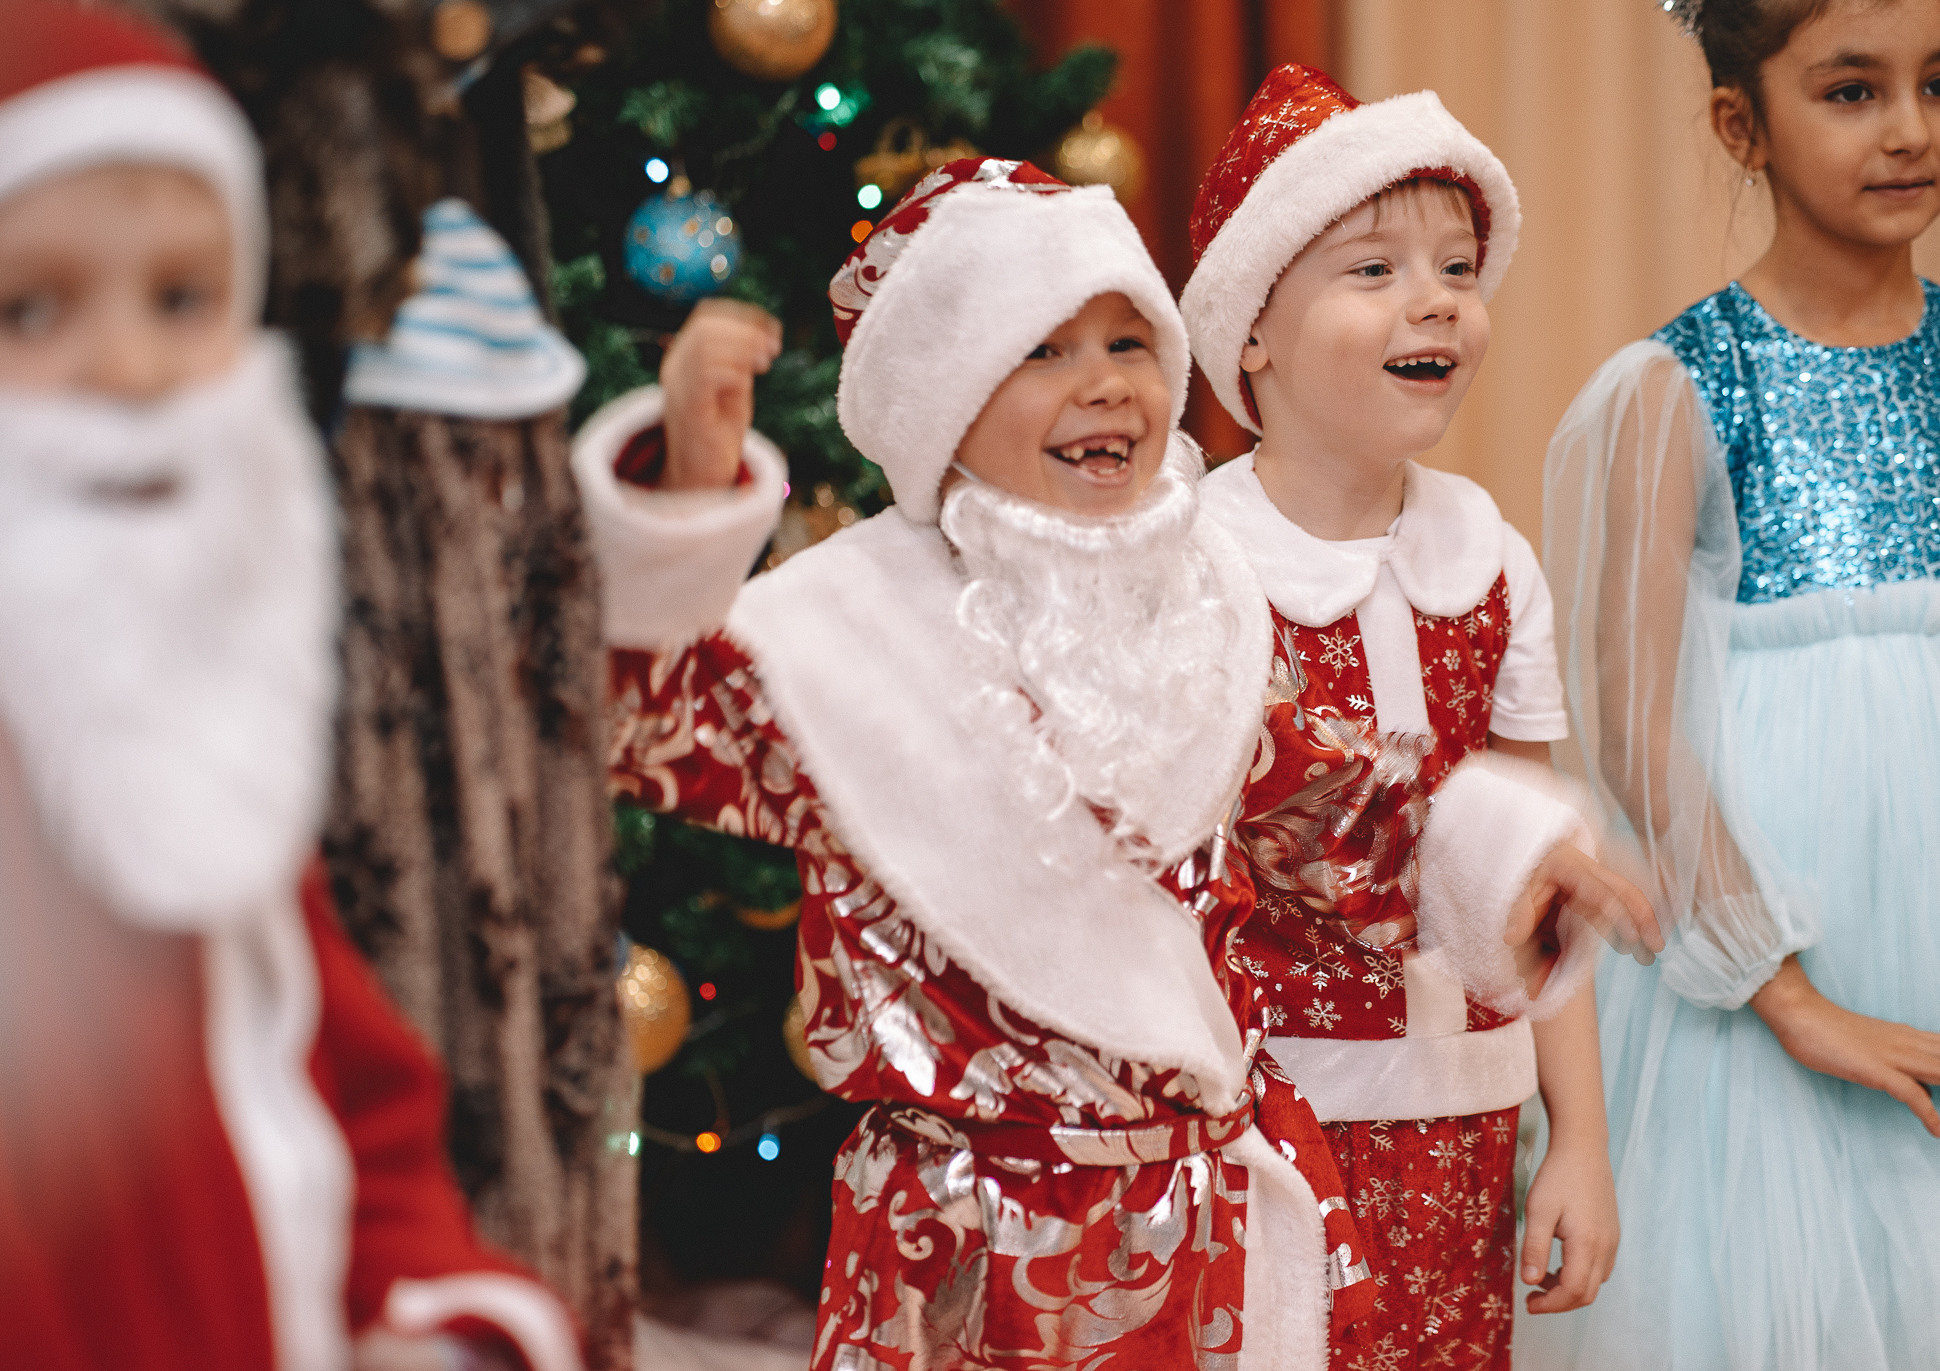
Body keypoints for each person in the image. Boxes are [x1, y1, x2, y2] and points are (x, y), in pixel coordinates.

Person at [579, 151, 1655, 1370]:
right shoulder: (842, 637)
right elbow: (634, 718)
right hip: (965, 1250)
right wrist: (677, 504)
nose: (1101, 388)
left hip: (1203, 1234)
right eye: (1039, 352)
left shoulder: (1196, 609)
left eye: (1126, 345)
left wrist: (1512, 864)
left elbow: (1332, 812)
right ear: (941, 397)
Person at [0, 7, 581, 1369]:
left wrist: (430, 1314)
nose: (132, 374)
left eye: (184, 300)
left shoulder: (186, 730)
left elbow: (355, 1114)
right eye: (30, 307)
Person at [1178, 64, 1647, 1371]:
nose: (1435, 295)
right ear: (1251, 331)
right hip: (1259, 1130)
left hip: (1467, 1128)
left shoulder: (1490, 560)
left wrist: (1583, 1147)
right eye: (1371, 269)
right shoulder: (1192, 568)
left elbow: (1544, 885)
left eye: (1455, 265)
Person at [1521, 1, 1940, 1368]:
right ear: (1739, 125)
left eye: (1938, 84)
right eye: (1853, 91)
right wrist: (1791, 992)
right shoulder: (1672, 393)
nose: (1911, 129)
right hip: (1768, 973)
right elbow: (1635, 734)